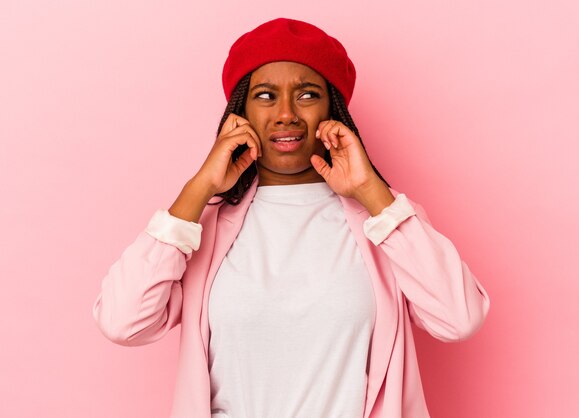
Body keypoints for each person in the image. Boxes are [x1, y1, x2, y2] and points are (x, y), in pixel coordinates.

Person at [92, 17, 490, 418]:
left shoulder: (385, 221)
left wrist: (372, 192)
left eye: (307, 95)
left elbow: (459, 319)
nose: (285, 114)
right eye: (265, 96)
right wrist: (199, 189)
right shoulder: (202, 228)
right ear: (239, 113)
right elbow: (122, 322)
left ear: (332, 110)